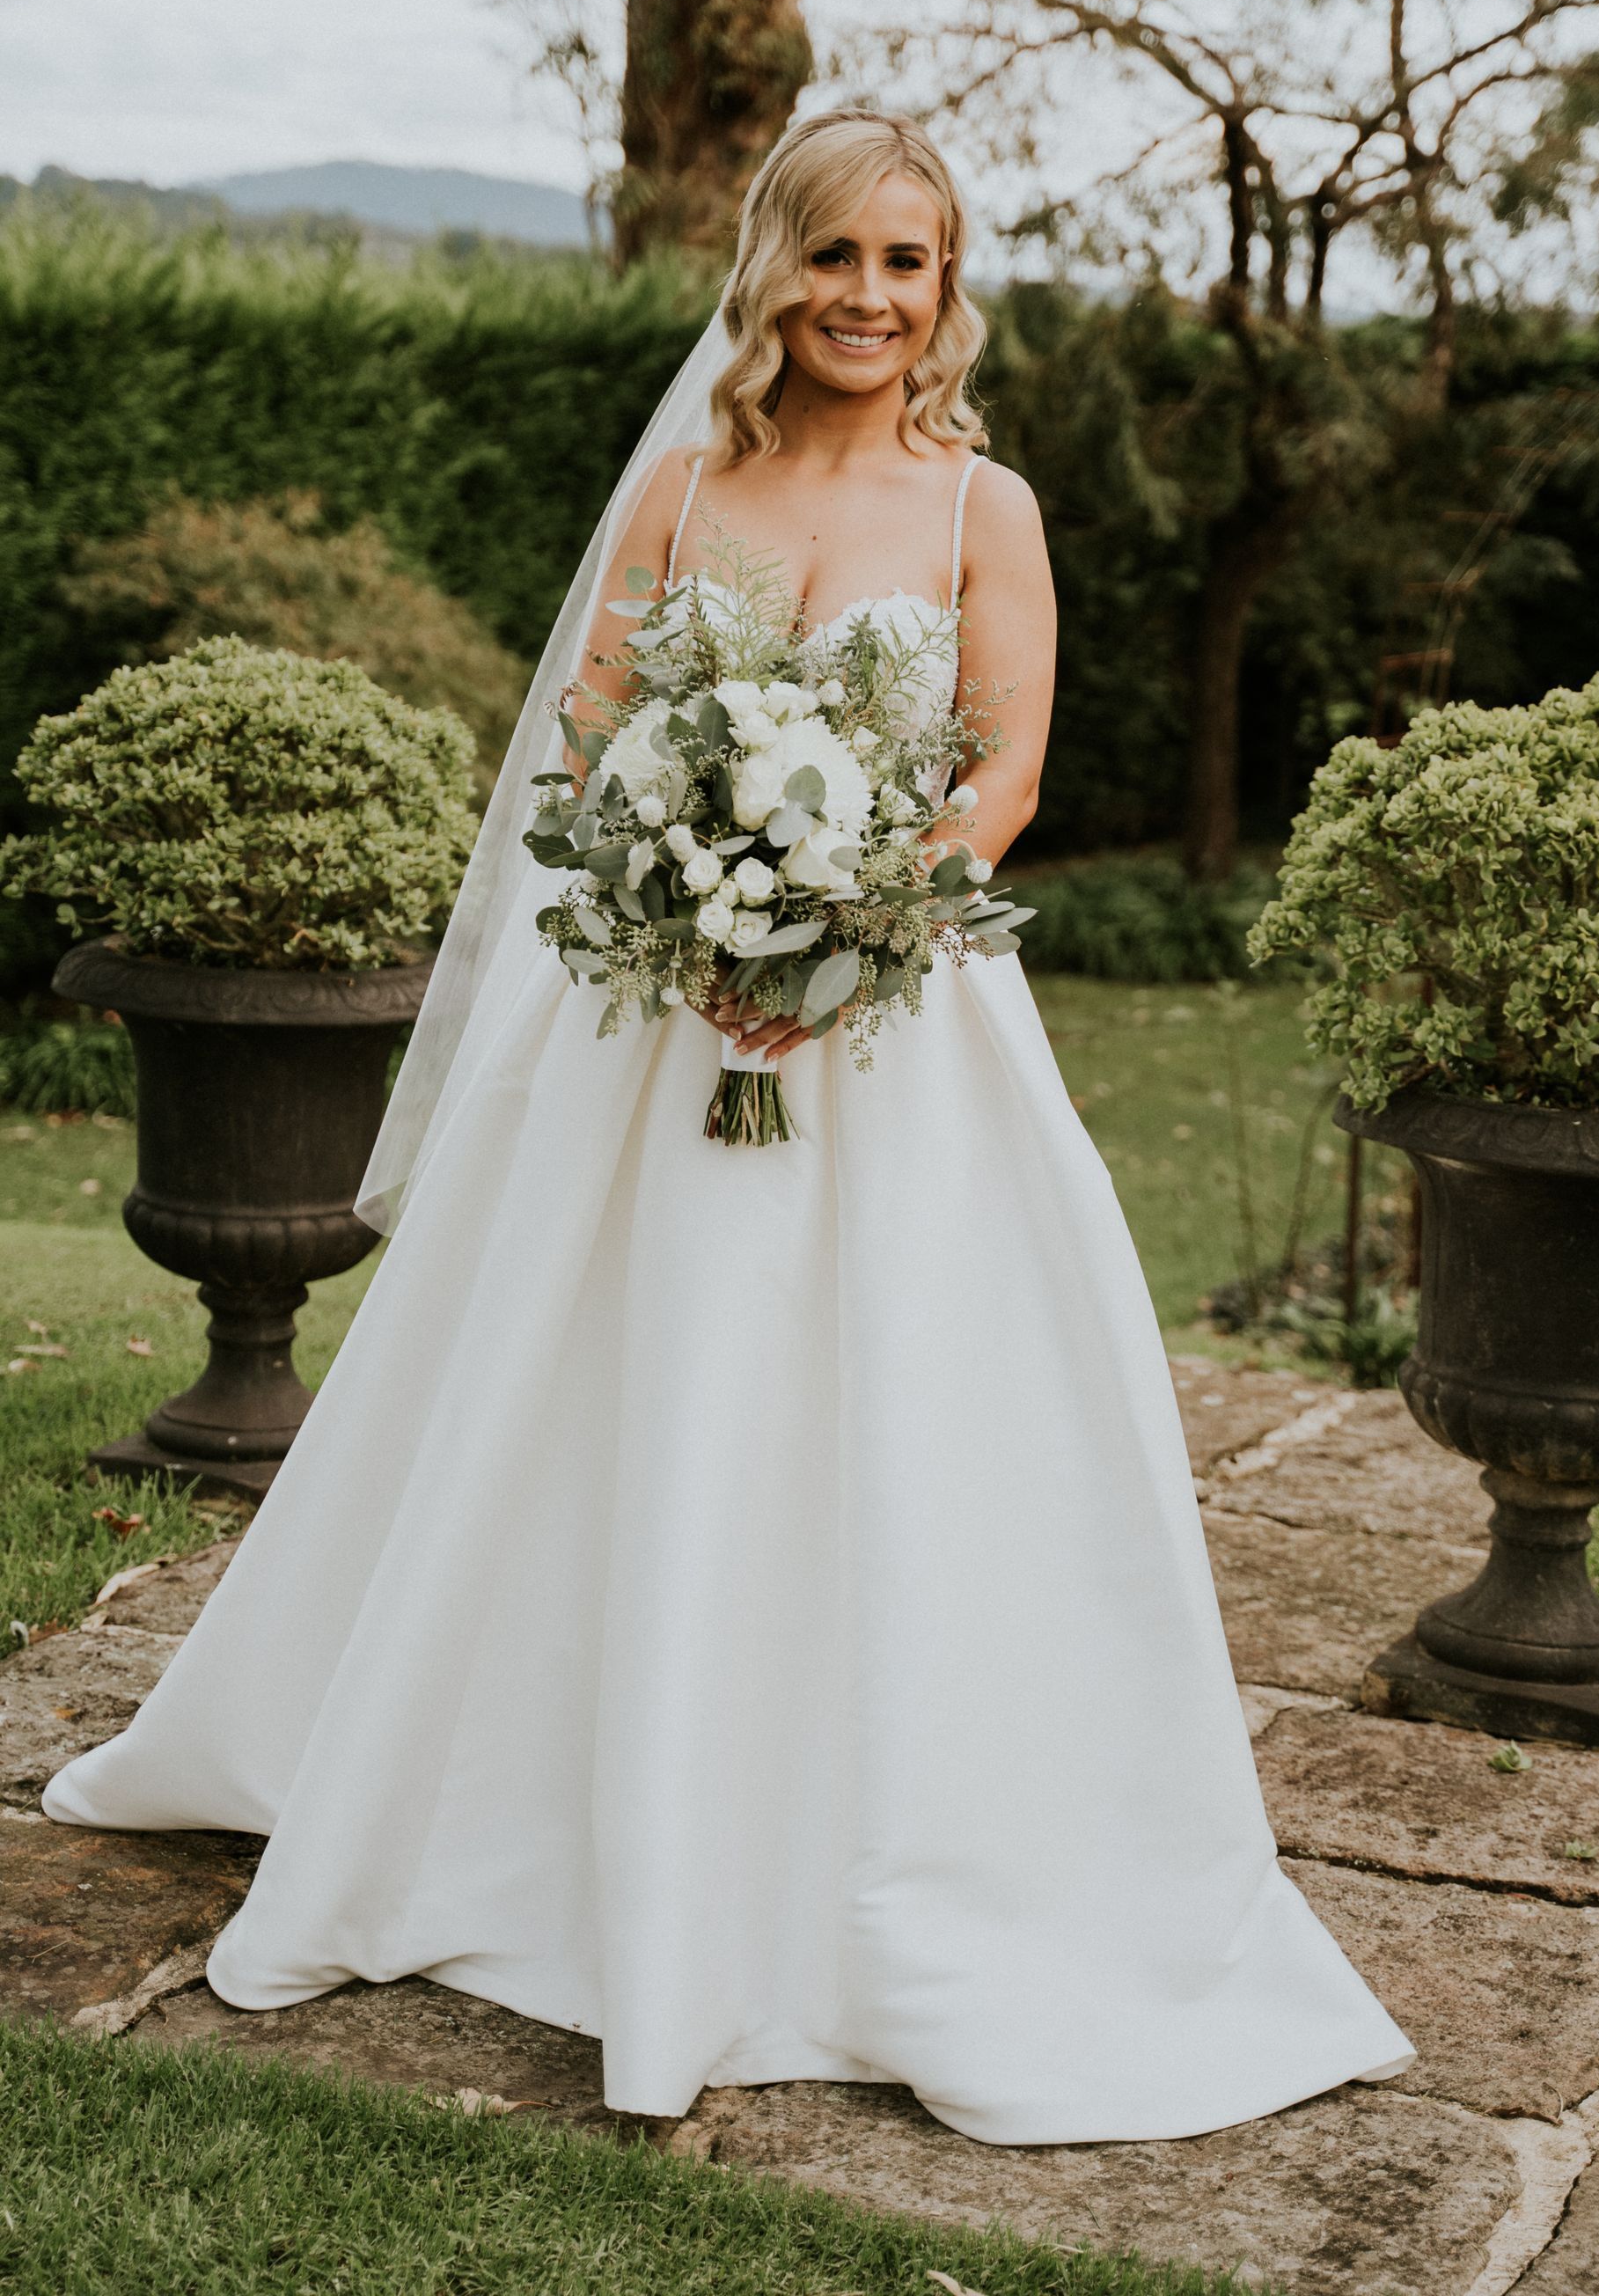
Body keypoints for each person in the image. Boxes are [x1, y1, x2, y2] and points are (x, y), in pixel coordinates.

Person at [42, 109, 1412, 2144]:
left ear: (950, 294)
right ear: (770, 268)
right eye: (834, 257)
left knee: (899, 1409)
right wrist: (688, 913)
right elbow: (591, 742)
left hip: (896, 1027)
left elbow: (1008, 777)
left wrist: (840, 926)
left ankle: (872, 1828)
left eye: (908, 266)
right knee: (595, 1384)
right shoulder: (689, 488)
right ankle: (527, 1795)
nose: (868, 298)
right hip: (652, 1026)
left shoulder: (985, 506)